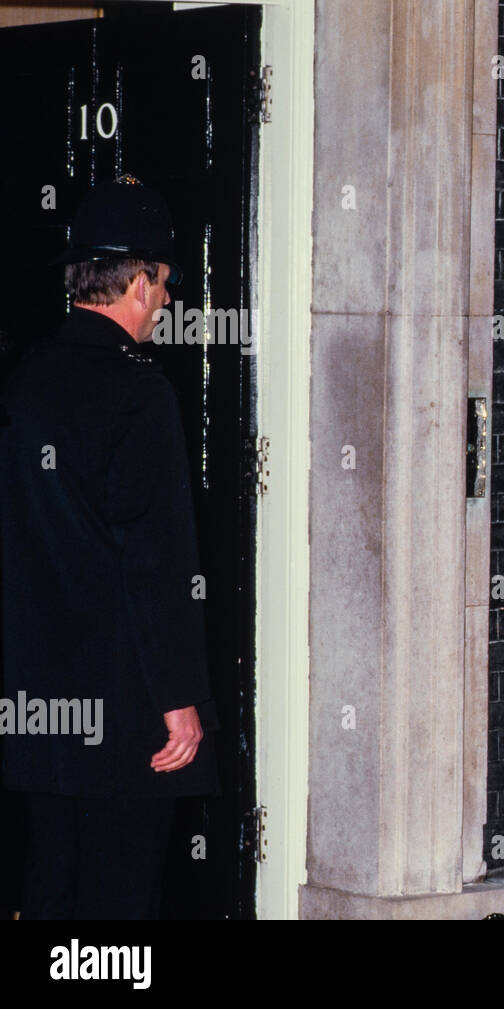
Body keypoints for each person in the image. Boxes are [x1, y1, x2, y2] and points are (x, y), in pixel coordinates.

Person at [0, 178, 218, 919]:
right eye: (163, 280)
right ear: (133, 279)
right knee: (120, 903)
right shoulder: (141, 394)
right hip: (126, 712)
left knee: (51, 886)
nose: (165, 300)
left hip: (39, 707)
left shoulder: (24, 382)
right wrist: (179, 699)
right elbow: (155, 561)